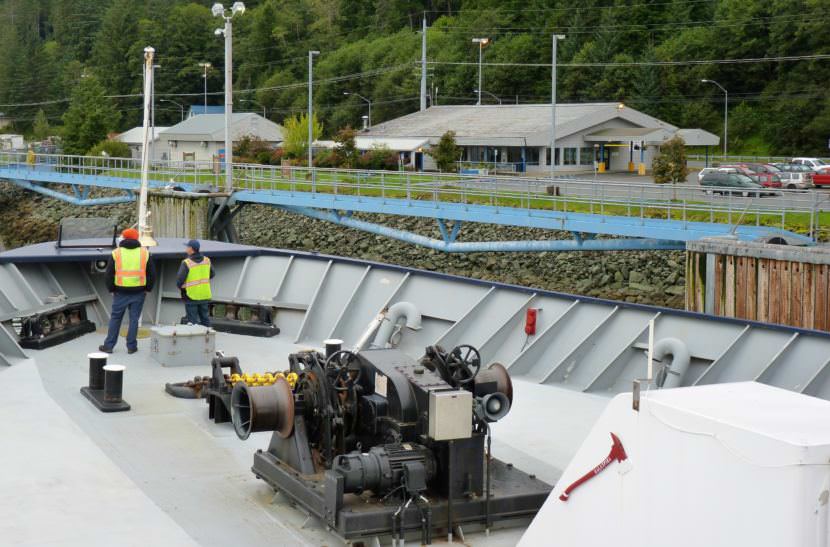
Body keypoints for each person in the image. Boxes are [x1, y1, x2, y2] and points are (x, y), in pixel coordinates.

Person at [99, 228, 156, 354]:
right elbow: (152, 274)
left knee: (115, 318)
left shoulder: (116, 253)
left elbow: (109, 274)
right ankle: (131, 347)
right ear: (137, 239)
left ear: (124, 238)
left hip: (120, 292)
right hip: (139, 292)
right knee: (134, 319)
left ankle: (109, 346)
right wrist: (148, 288)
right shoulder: (144, 253)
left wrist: (111, 289)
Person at [176, 239, 214, 327]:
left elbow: (179, 280)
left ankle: (195, 339)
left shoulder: (186, 262)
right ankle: (207, 338)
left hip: (191, 295)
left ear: (191, 249)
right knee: (205, 319)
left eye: (187, 247)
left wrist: (182, 287)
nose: (186, 249)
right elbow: (212, 274)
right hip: (204, 295)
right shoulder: (207, 260)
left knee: (192, 322)